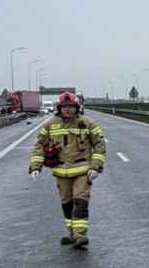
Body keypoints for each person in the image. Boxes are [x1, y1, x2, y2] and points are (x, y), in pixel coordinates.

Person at [28, 92, 106, 248]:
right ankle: (71, 233)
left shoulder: (87, 123)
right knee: (67, 204)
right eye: (65, 107)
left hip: (83, 172)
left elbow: (100, 145)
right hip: (61, 173)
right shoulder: (50, 125)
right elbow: (40, 146)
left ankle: (79, 235)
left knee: (80, 202)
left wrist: (96, 166)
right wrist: (35, 167)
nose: (68, 109)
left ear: (77, 107)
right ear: (59, 108)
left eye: (71, 106)